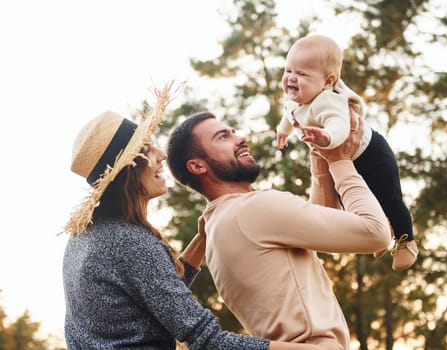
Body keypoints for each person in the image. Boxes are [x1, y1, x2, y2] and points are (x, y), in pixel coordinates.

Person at [62, 82, 327, 350]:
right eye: (147, 151)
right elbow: (207, 340)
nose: (161, 155)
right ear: (128, 172)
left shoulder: (83, 239)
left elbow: (160, 291)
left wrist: (202, 238)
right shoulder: (131, 243)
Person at [166, 108, 391, 349]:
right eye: (223, 137)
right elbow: (375, 232)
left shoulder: (218, 228)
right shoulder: (253, 209)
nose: (240, 138)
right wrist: (341, 161)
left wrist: (321, 157)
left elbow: (323, 228)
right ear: (198, 166)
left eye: (233, 132)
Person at [276, 34, 418, 271]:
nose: (291, 77)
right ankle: (382, 227)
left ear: (327, 81)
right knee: (349, 202)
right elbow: (289, 115)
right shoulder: (295, 100)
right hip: (344, 160)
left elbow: (340, 126)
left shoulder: (328, 101)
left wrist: (327, 137)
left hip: (372, 154)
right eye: (288, 70)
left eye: (301, 74)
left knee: (389, 197)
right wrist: (283, 132)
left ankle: (406, 240)